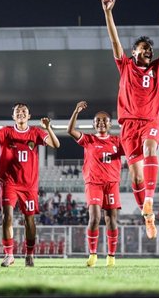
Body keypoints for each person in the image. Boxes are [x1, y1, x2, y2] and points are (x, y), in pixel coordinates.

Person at [100, 0, 159, 239]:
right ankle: (147, 216)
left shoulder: (158, 68)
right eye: (143, 48)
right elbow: (114, 41)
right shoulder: (125, 65)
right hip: (128, 125)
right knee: (135, 175)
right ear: (134, 52)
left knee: (151, 148)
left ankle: (149, 201)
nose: (148, 51)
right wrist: (108, 13)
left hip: (151, 121)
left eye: (150, 49)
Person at [0, 103, 60, 267]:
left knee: (29, 220)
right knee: (7, 217)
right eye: (17, 112)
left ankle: (29, 254)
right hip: (8, 182)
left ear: (29, 116)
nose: (20, 113)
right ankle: (9, 255)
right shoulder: (6, 131)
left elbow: (56, 144)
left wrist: (48, 127)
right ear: (13, 117)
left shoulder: (35, 132)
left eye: (24, 111)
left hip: (29, 185)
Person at [67, 101, 123, 267]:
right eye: (97, 120)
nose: (101, 122)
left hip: (112, 184)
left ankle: (111, 257)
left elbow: (134, 148)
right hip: (94, 184)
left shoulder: (117, 141)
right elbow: (70, 131)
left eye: (104, 120)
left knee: (111, 220)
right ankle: (93, 255)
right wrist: (76, 111)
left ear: (110, 124)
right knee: (94, 218)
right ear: (93, 124)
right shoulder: (89, 139)